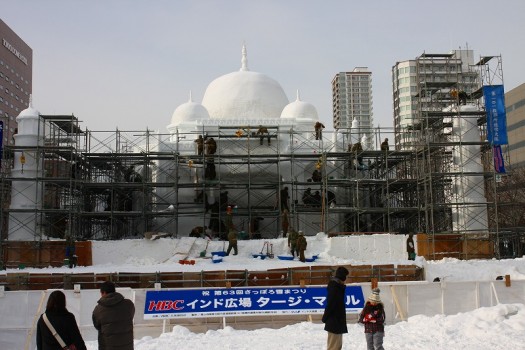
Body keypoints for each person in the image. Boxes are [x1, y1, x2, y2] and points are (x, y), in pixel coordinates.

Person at [92, 281, 135, 350]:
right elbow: (131, 316)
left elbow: (97, 325)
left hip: (107, 346)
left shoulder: (98, 309)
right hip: (126, 346)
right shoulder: (128, 304)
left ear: (104, 292)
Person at [322, 266, 349, 350]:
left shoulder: (338, 287)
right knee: (333, 346)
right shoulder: (335, 288)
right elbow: (331, 304)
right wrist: (325, 317)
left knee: (337, 346)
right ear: (343, 277)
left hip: (338, 322)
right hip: (334, 322)